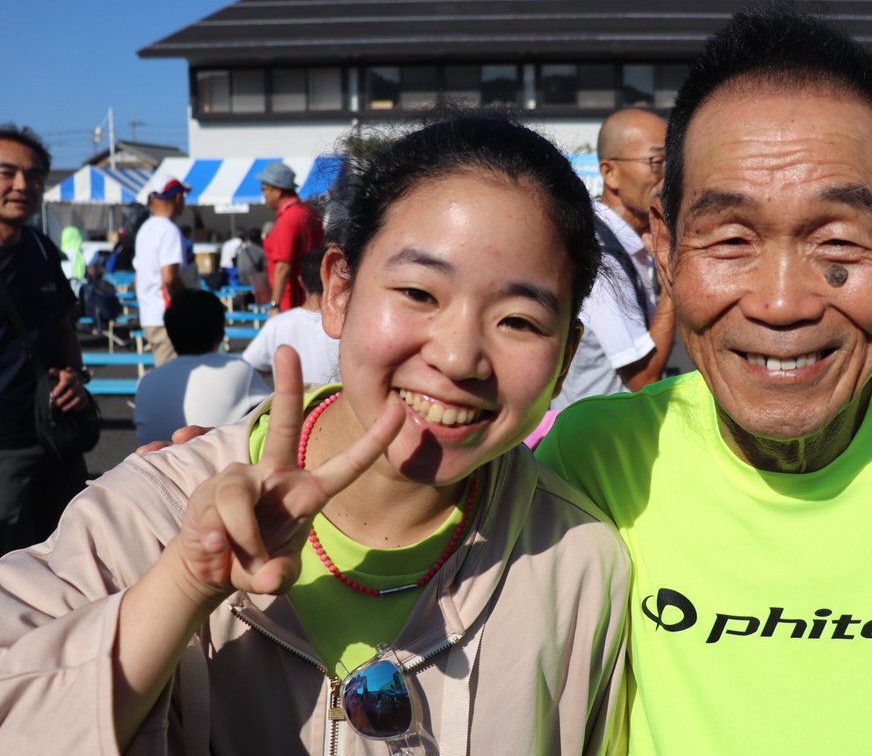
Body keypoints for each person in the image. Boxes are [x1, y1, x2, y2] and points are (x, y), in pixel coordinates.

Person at [539, 3, 872, 754]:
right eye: (730, 237)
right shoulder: (593, 460)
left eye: (838, 238)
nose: (783, 303)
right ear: (665, 247)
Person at [0, 116, 630, 754]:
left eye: (519, 321)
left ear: (565, 357)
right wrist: (183, 584)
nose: (460, 357)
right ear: (337, 290)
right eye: (418, 291)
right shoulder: (149, 515)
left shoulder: (581, 566)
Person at [0, 125, 90, 554]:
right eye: (7, 173)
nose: (22, 185)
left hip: (55, 440)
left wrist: (74, 374)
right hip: (5, 453)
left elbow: (62, 326)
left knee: (68, 561)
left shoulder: (39, 248)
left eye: (34, 176)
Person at [552, 109, 675, 409]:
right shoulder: (599, 251)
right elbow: (643, 378)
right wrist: (673, 275)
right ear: (609, 173)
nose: (668, 177)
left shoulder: (627, 241)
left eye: (674, 163)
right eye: (657, 162)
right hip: (593, 445)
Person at [133, 289, 271, 445]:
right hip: (218, 466)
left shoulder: (145, 382)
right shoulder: (240, 371)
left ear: (170, 335)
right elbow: (274, 412)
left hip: (154, 466)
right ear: (221, 333)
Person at [242, 245, 341, 385]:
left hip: (291, 405)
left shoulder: (277, 324)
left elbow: (249, 367)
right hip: (336, 405)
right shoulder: (346, 328)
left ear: (300, 281)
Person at [134, 174, 189, 366]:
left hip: (149, 315)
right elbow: (169, 278)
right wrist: (189, 299)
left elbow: (138, 276)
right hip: (166, 316)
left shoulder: (144, 229)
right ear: (177, 197)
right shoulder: (169, 230)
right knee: (175, 383)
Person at [260, 161, 324, 314]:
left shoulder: (288, 220)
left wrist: (275, 305)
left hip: (290, 303)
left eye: (264, 190)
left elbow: (283, 267)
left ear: (277, 191)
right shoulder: (309, 213)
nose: (263, 195)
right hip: (311, 299)